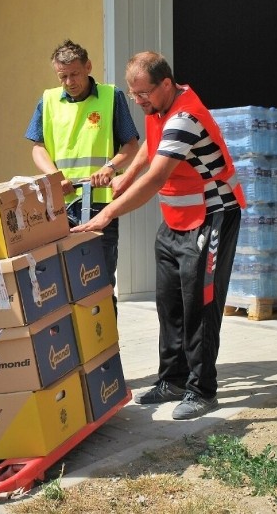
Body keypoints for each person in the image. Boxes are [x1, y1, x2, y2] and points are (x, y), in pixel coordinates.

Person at [72, 51, 246, 420]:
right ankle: (173, 379)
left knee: (200, 304)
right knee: (168, 301)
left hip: (212, 215)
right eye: (133, 94)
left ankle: (202, 390)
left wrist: (105, 215)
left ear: (165, 84)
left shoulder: (185, 117)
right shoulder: (159, 110)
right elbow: (151, 145)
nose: (138, 101)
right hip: (177, 217)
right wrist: (126, 174)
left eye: (143, 94)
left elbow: (157, 178)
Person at [25, 39, 139, 309]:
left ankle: (105, 345)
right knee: (59, 280)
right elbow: (37, 147)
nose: (69, 82)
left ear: (88, 67)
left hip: (100, 204)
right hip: (60, 205)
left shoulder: (112, 97)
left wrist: (109, 168)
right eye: (62, 76)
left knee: (100, 280)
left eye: (74, 74)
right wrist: (56, 177)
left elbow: (132, 146)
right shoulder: (48, 100)